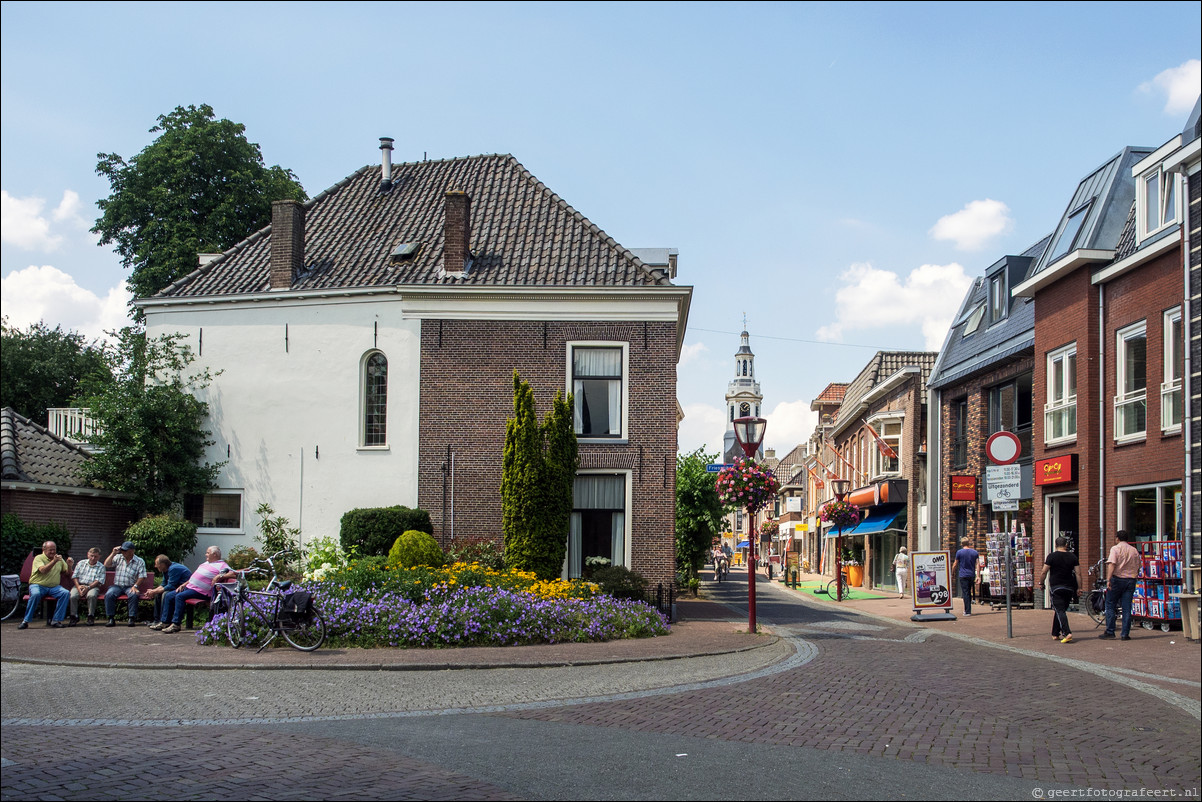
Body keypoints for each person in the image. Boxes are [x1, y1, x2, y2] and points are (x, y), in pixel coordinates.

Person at [161, 545, 237, 634]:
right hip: (189, 587)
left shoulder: (222, 565)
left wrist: (219, 576)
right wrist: (184, 584)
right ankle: (165, 622)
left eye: (208, 553)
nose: (206, 555)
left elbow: (234, 574)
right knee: (168, 596)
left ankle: (176, 624)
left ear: (215, 554)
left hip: (201, 591)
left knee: (179, 597)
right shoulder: (205, 563)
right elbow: (194, 577)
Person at [18, 541, 74, 629]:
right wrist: (54, 561)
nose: (53, 552)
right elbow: (43, 570)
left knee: (65, 593)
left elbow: (67, 573)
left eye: (54, 550)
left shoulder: (59, 559)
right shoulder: (38, 558)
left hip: (54, 587)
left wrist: (69, 566)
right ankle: (26, 621)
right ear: (44, 549)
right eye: (50, 550)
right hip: (38, 585)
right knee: (35, 594)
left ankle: (56, 620)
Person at [1099, 529, 1140, 641]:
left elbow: (1112, 564)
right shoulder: (1134, 550)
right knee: (1127, 607)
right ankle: (1125, 634)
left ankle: (1110, 631)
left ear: (1117, 538)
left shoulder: (1115, 549)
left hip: (1117, 579)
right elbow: (1138, 565)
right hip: (1131, 580)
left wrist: (1108, 579)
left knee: (1110, 604)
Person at [1039, 536, 1080, 644]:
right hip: (1069, 587)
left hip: (1056, 587)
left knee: (1060, 610)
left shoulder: (1052, 556)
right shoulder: (1073, 557)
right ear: (1066, 545)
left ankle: (1067, 633)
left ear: (1055, 545)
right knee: (1060, 609)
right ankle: (1055, 633)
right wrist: (1080, 587)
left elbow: (1044, 572)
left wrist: (1041, 583)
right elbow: (1078, 573)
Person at [103, 541, 147, 627]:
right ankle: (111, 618)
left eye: (125, 551)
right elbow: (107, 564)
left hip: (130, 586)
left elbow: (142, 576)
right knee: (109, 594)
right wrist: (113, 553)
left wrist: (135, 586)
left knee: (133, 595)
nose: (123, 552)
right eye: (122, 550)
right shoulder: (118, 557)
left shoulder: (139, 561)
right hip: (117, 585)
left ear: (132, 551)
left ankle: (131, 618)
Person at [144, 555, 192, 631]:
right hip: (176, 587)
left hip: (185, 588)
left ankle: (165, 621)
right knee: (158, 594)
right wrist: (153, 591)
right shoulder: (165, 570)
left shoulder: (173, 569)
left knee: (166, 595)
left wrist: (154, 591)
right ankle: (157, 620)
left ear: (163, 564)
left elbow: (170, 586)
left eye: (157, 564)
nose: (155, 566)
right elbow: (163, 584)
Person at [69, 547, 105, 626]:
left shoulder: (101, 567)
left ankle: (90, 616)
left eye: (95, 556)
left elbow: (98, 581)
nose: (93, 558)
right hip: (80, 584)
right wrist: (78, 587)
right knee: (73, 596)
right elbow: (75, 576)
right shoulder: (81, 563)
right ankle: (73, 616)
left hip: (92, 586)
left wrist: (88, 588)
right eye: (91, 556)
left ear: (99, 557)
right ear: (88, 555)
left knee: (91, 595)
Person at [952, 537, 980, 616]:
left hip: (963, 575)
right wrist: (978, 576)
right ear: (968, 543)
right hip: (971, 575)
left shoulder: (959, 552)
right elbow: (978, 564)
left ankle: (967, 611)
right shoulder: (974, 552)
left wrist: (952, 573)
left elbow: (955, 564)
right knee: (969, 592)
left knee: (965, 593)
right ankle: (968, 608)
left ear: (961, 544)